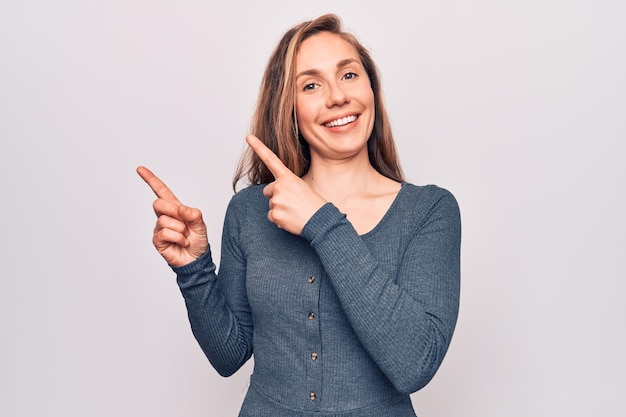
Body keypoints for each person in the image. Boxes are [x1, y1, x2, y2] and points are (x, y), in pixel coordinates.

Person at [137, 13, 461, 417]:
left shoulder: (429, 211)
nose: (337, 96)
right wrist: (194, 270)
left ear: (371, 89)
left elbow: (415, 365)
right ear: (288, 108)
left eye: (349, 75)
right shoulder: (250, 211)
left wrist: (321, 222)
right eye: (311, 85)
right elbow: (229, 356)